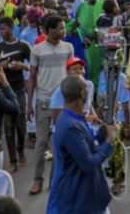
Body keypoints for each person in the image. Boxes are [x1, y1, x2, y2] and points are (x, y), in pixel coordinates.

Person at [46, 75, 117, 214]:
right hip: (78, 200)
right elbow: (89, 164)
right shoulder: (70, 126)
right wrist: (109, 140)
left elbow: (91, 146)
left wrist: (104, 130)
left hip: (86, 197)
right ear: (83, 95)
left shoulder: (73, 119)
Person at [28, 15, 74, 196]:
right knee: (41, 143)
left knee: (58, 143)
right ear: (51, 30)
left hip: (64, 103)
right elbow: (32, 77)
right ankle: (37, 180)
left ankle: (55, 180)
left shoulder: (68, 47)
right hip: (43, 101)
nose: (64, 31)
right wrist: (30, 105)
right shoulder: (37, 50)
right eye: (61, 28)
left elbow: (72, 73)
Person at [0, 17, 31, 173]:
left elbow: (33, 66)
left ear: (11, 28)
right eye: (0, 29)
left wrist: (22, 66)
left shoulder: (23, 46)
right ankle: (13, 160)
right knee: (8, 127)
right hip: (3, 90)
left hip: (19, 89)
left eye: (4, 29)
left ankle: (21, 148)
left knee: (21, 125)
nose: (1, 32)